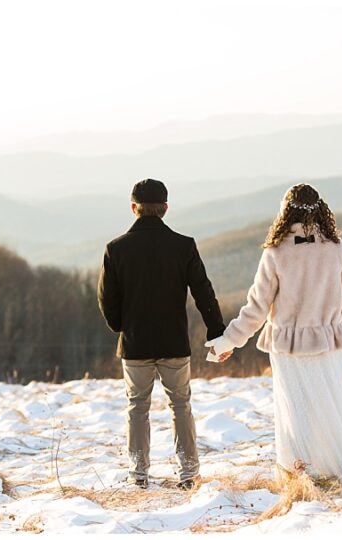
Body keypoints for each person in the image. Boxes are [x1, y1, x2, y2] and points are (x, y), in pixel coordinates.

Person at [205, 183, 342, 484]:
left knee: (296, 414)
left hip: (289, 348)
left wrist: (227, 342)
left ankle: (300, 475)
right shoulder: (336, 248)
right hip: (330, 344)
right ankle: (336, 474)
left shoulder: (276, 251)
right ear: (320, 210)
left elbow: (256, 308)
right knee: (331, 409)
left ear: (285, 211)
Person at [98, 178, 226, 490]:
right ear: (165, 209)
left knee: (137, 407)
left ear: (133, 208)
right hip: (174, 342)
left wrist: (121, 326)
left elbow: (106, 299)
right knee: (180, 405)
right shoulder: (184, 246)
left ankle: (138, 473)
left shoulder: (116, 249)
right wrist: (217, 332)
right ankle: (189, 472)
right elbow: (203, 293)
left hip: (135, 343)